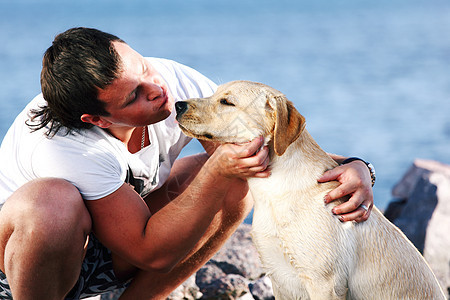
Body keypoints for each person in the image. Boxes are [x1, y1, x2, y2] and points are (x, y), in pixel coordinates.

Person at [0, 27, 374, 299]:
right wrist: (216, 169)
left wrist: (355, 167)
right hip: (24, 269)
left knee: (237, 177)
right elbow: (151, 253)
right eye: (134, 95)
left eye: (143, 67)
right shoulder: (64, 147)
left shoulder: (169, 81)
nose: (157, 88)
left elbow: (263, 150)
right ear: (97, 119)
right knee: (51, 203)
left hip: (109, 247)